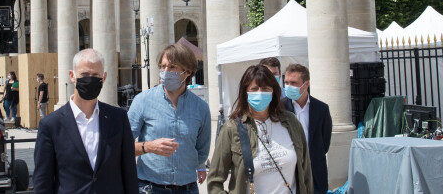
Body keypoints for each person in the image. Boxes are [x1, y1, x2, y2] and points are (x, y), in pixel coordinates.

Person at [33, 48, 137, 194]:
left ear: (104, 77)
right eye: (84, 74)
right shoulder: (51, 125)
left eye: (95, 75)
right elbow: (42, 182)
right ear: (72, 76)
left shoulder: (118, 118)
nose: (90, 79)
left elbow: (129, 171)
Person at [208, 64, 312, 194]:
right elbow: (214, 181)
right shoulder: (231, 129)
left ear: (273, 91)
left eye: (265, 89)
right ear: (245, 92)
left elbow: (306, 172)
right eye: (254, 89)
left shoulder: (291, 122)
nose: (260, 93)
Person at [128, 43, 211, 194]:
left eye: (172, 67)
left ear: (187, 72)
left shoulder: (201, 108)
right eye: (162, 66)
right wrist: (149, 147)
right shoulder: (142, 101)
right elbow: (122, 145)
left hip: (188, 188)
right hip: (150, 188)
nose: (165, 71)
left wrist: (199, 166)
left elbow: (202, 148)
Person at [283, 64, 332, 194]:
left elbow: (325, 141)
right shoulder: (279, 108)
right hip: (288, 172)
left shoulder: (321, 109)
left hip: (314, 171)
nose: (288, 86)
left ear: (306, 84)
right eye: (286, 82)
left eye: (294, 83)